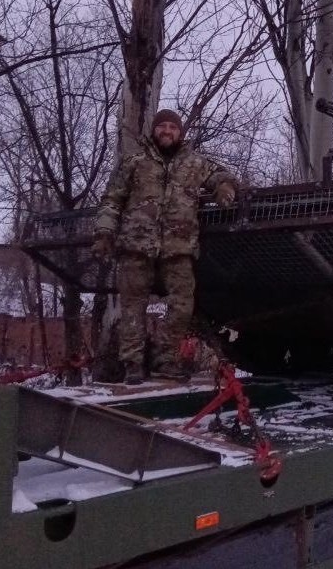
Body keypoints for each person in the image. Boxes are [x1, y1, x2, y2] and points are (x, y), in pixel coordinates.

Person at [91, 109, 237, 385]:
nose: (167, 131)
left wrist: (224, 188)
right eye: (162, 127)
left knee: (182, 305)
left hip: (178, 247)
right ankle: (132, 363)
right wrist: (104, 233)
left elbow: (222, 175)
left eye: (172, 127)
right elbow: (111, 200)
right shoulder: (134, 162)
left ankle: (165, 358)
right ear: (154, 131)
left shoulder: (195, 163)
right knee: (133, 305)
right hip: (136, 246)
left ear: (179, 132)